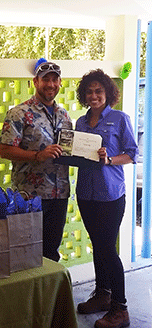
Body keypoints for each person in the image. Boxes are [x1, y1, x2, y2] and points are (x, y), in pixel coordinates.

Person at [75, 69, 137, 328]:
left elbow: (132, 154)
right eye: (89, 91)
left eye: (98, 91)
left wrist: (109, 159)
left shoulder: (120, 118)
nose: (93, 95)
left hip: (110, 194)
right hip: (85, 194)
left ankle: (120, 309)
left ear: (108, 93)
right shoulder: (80, 122)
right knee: (98, 246)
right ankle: (102, 295)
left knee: (107, 250)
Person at [0, 60, 72, 262]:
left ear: (60, 83)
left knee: (51, 253)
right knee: (26, 254)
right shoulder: (19, 113)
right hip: (30, 195)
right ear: (35, 82)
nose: (50, 84)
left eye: (54, 80)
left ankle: (49, 293)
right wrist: (37, 156)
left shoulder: (64, 115)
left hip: (59, 194)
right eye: (45, 79)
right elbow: (4, 150)